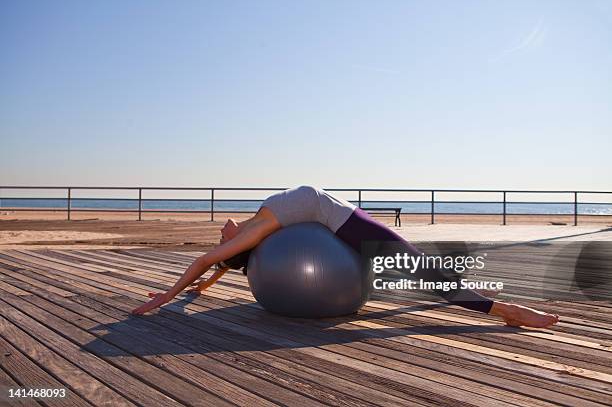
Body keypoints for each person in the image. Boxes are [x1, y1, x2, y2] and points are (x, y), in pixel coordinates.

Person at [131, 186, 560, 328]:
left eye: (222, 234)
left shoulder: (256, 226)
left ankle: (491, 304)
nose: (221, 229)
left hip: (349, 218)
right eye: (223, 238)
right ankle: (504, 310)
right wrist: (166, 296)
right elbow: (207, 262)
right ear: (239, 249)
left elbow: (212, 273)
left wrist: (194, 292)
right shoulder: (258, 231)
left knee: (423, 271)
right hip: (350, 227)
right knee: (424, 272)